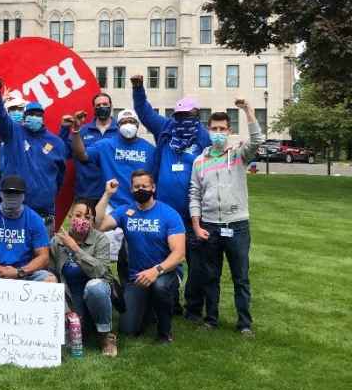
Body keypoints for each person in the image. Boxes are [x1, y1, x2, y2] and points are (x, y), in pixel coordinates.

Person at [130, 75, 210, 319]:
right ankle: (169, 302)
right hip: (165, 210)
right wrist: (138, 88)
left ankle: (194, 309)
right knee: (166, 258)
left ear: (197, 115)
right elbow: (144, 113)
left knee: (196, 263)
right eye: (181, 116)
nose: (184, 120)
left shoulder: (203, 137)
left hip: (192, 212)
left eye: (189, 116)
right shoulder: (166, 129)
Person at [189, 101, 263, 335]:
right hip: (210, 227)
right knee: (211, 277)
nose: (219, 133)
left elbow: (258, 141)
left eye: (223, 129)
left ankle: (244, 324)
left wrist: (248, 111)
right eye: (215, 129)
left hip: (237, 226)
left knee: (240, 277)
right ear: (208, 130)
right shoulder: (199, 161)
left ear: (229, 131)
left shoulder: (239, 156)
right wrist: (196, 225)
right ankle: (211, 319)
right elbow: (194, 194)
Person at [96, 172, 186, 344]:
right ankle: (148, 308)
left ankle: (165, 333)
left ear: (153, 188)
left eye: (144, 186)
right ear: (131, 189)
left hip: (165, 273)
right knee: (128, 330)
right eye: (136, 187)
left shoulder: (169, 214)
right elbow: (99, 225)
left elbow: (179, 254)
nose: (140, 189)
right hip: (137, 277)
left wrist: (156, 271)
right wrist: (107, 194)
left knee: (160, 287)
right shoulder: (125, 211)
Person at [69, 107, 155, 281]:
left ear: (138, 125)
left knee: (135, 253)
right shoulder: (106, 145)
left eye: (131, 122)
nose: (128, 125)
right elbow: (82, 155)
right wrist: (77, 131)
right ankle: (102, 286)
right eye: (123, 122)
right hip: (111, 205)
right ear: (117, 125)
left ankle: (131, 287)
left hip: (138, 206)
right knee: (100, 250)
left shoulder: (149, 149)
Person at [0, 78, 68, 238]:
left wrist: (49, 192)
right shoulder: (13, 133)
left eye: (38, 114)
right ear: (25, 116)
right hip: (15, 210)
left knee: (42, 257)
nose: (34, 117)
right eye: (31, 114)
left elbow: (60, 177)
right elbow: (0, 118)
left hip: (44, 214)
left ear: (43, 117)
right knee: (13, 257)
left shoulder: (57, 143)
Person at [48, 200, 118, 356]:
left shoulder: (101, 239)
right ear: (70, 217)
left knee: (95, 286)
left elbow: (100, 271)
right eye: (78, 215)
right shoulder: (57, 242)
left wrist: (74, 247)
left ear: (92, 221)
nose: (82, 220)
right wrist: (65, 310)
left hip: (95, 295)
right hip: (70, 298)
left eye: (87, 217)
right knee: (75, 336)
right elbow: (52, 276)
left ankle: (106, 336)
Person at [0, 175, 55, 282]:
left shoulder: (34, 219)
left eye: (17, 194)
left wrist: (20, 272)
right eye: (8, 193)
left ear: (23, 196)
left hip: (25, 272)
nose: (12, 197)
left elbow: (44, 257)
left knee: (49, 280)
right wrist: (1, 270)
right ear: (1, 194)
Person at [59, 92, 118, 206]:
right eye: (98, 105)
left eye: (105, 104)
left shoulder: (120, 131)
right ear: (94, 108)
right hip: (86, 194)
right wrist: (65, 130)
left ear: (111, 106)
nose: (102, 107)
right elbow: (64, 153)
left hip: (114, 194)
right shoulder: (82, 131)